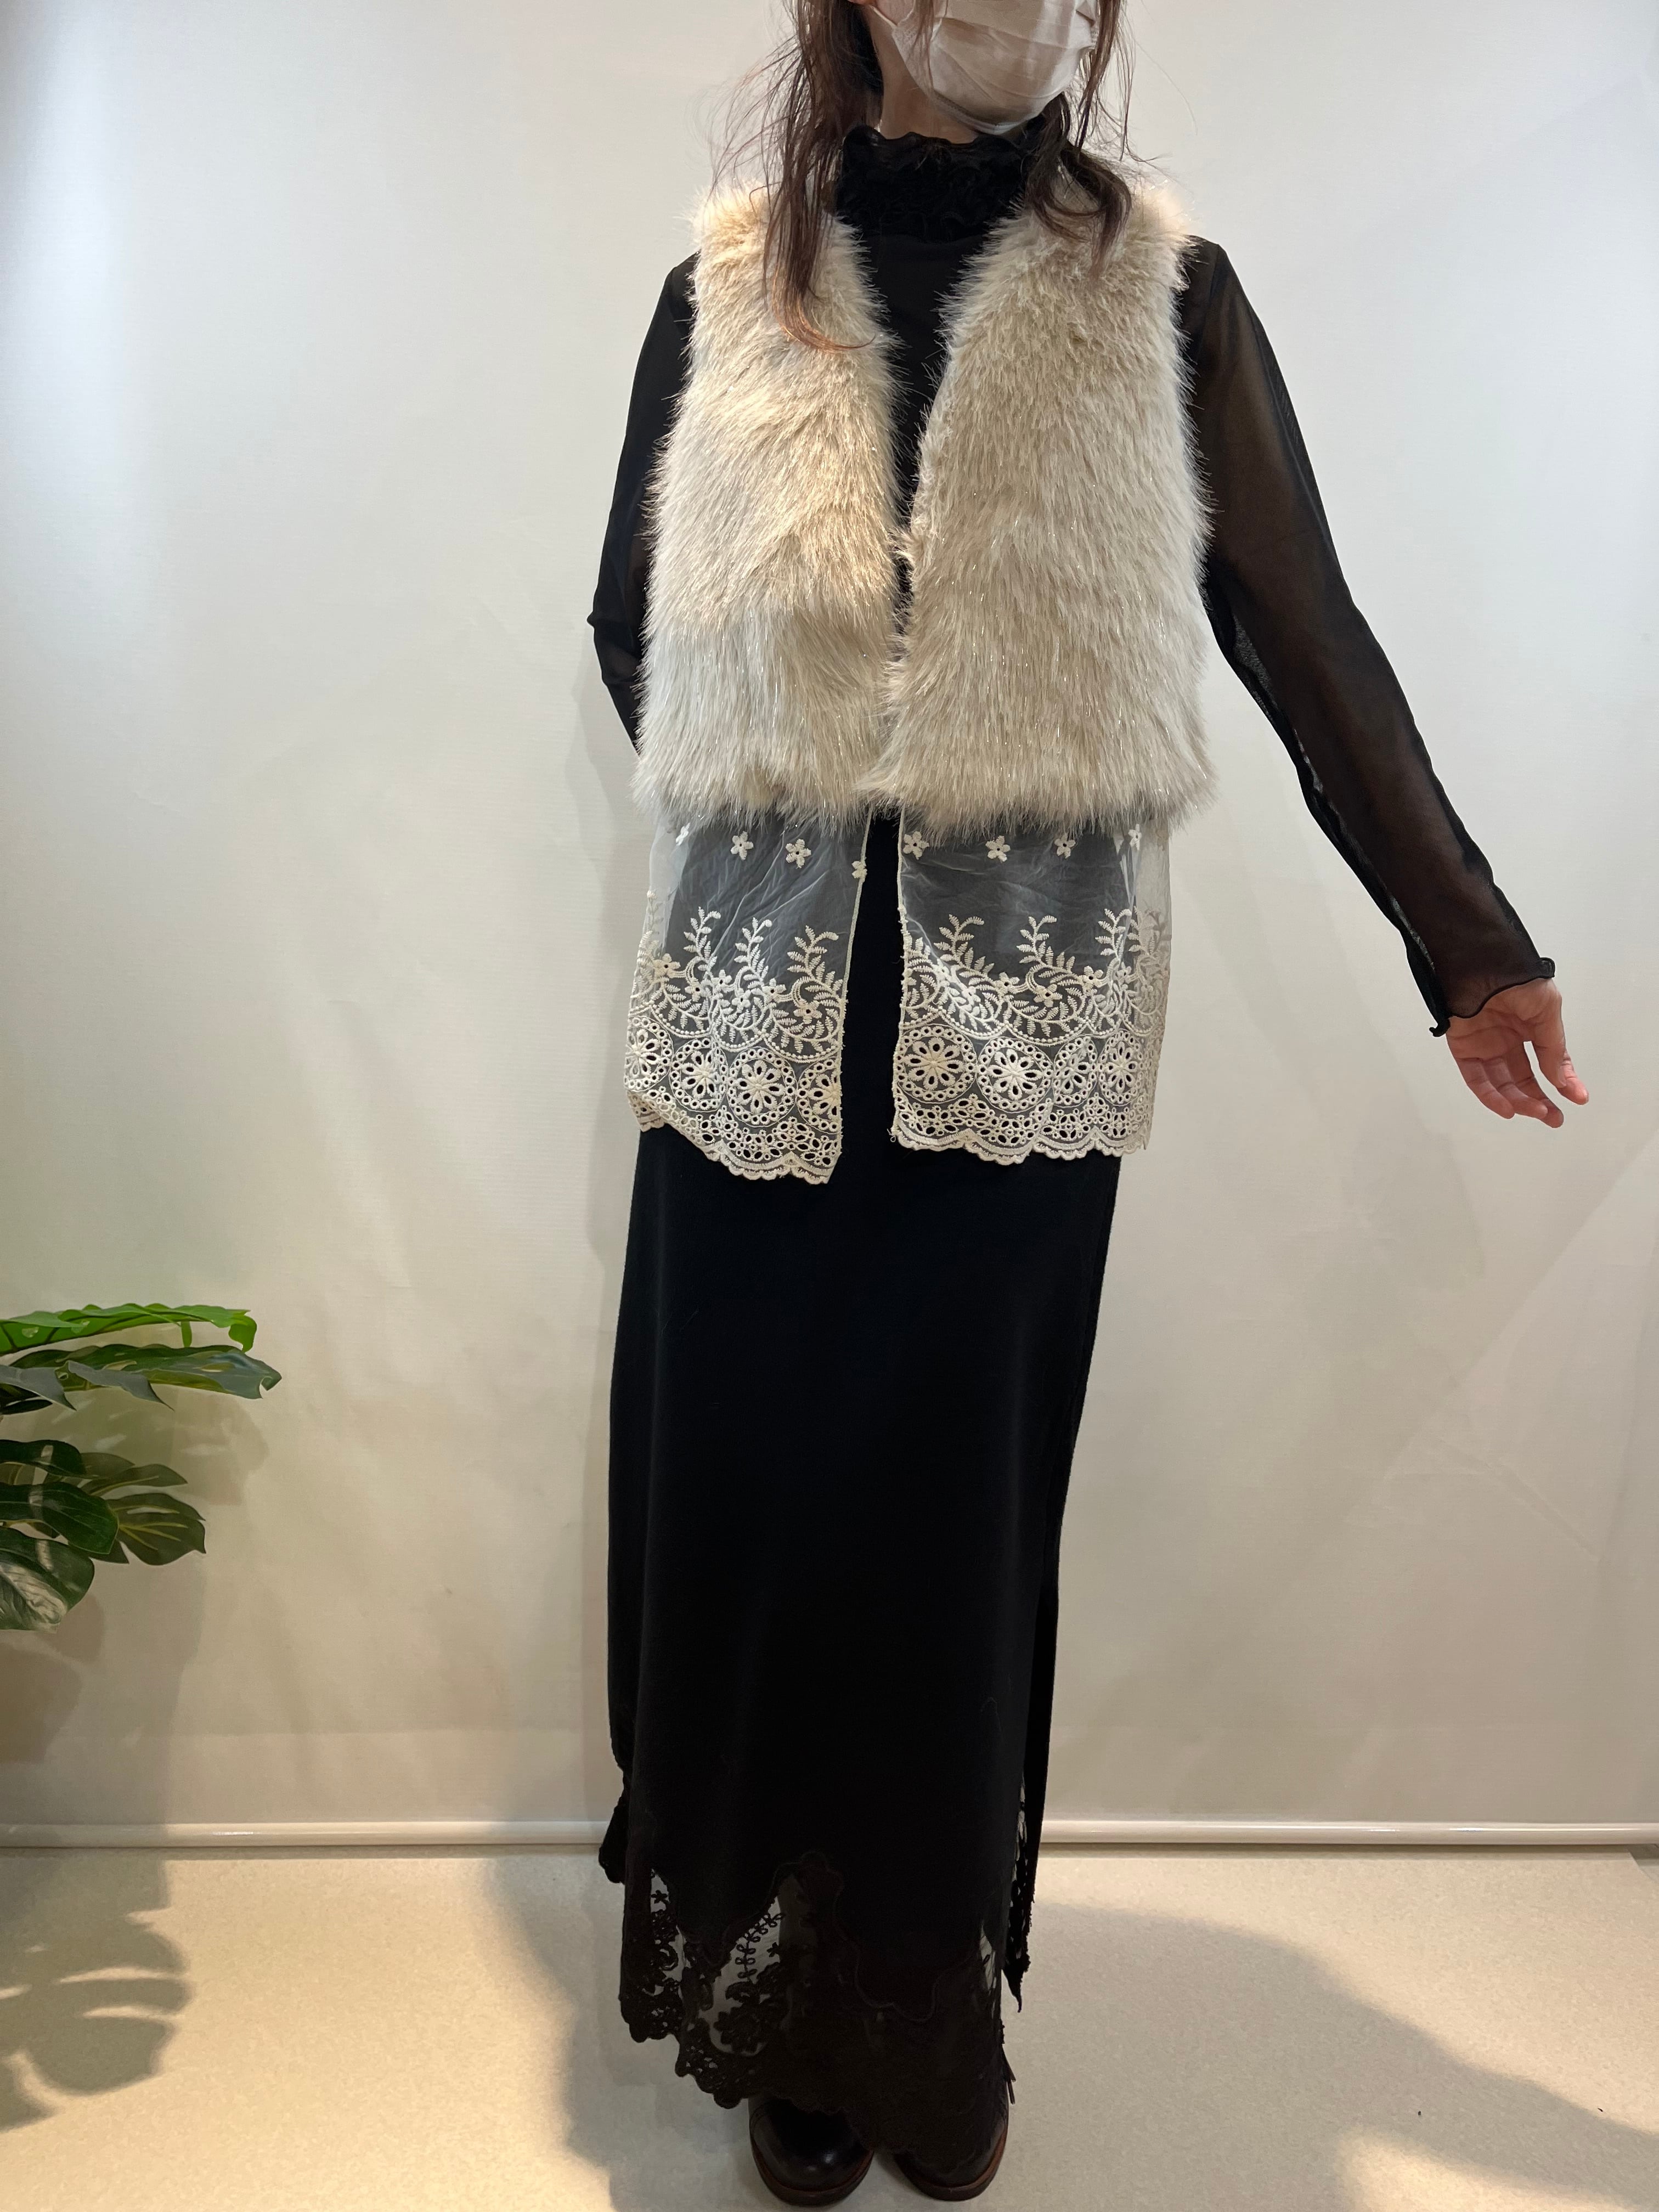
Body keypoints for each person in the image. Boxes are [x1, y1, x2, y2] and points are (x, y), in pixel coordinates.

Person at [588, 2, 1588, 2200]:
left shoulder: (1163, 294)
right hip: (761, 1000)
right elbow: (630, 619)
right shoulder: (730, 284)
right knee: (745, 1494)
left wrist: (1469, 941)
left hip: (1007, 1005)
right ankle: (771, 2001)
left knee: (941, 1516)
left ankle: (915, 2010)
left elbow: (1300, 628)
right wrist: (799, 754)